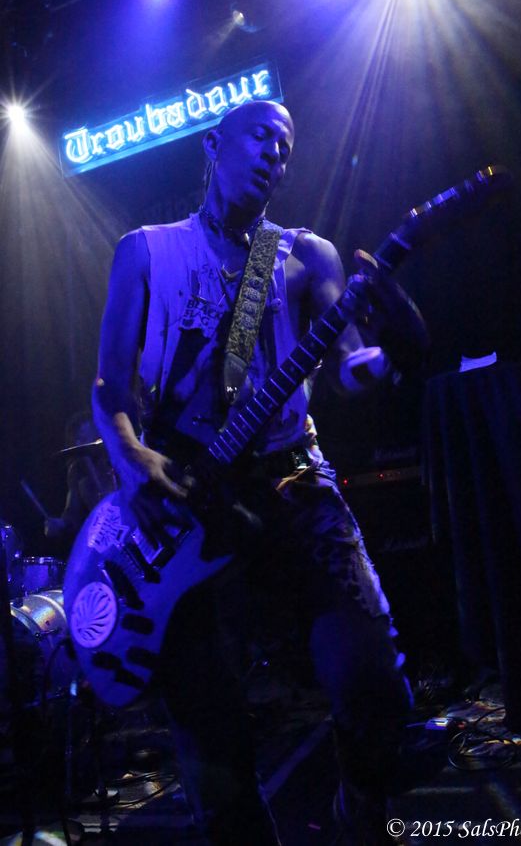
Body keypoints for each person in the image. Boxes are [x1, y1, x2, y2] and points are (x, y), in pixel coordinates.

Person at [91, 99, 429, 845]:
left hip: (292, 481)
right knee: (212, 747)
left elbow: (350, 368)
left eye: (288, 146)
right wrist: (131, 455)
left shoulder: (307, 255)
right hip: (188, 502)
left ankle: (360, 808)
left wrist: (391, 349)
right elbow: (110, 386)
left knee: (373, 683)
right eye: (263, 137)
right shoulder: (143, 252)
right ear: (214, 145)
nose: (278, 153)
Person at [44, 411, 116, 558]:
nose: (78, 443)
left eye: (83, 438)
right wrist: (60, 524)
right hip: (102, 539)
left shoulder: (116, 458)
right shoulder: (77, 470)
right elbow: (72, 512)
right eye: (76, 439)